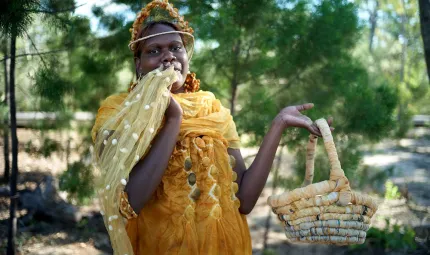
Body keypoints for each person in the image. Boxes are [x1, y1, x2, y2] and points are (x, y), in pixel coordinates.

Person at [91, 1, 333, 254]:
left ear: (186, 56)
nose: (168, 56)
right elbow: (131, 203)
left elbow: (245, 201)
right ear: (138, 64)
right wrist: (173, 119)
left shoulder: (212, 110)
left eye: (176, 47)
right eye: (154, 51)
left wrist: (279, 123)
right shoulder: (118, 112)